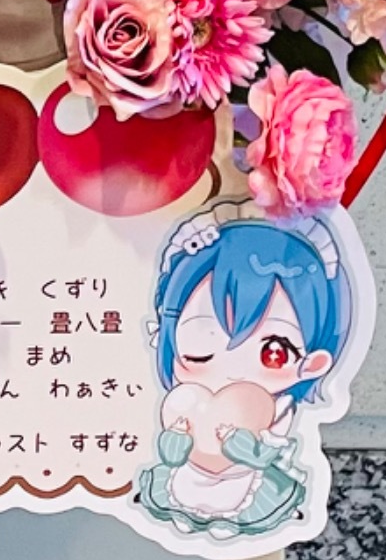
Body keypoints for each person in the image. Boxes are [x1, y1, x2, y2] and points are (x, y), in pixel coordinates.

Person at [135, 206, 348, 541]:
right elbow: (171, 454)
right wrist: (177, 436)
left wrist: (237, 442)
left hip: (247, 481)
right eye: (200, 349)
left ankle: (229, 520)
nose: (233, 371)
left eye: (273, 353)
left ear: (312, 363)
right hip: (189, 477)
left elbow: (263, 455)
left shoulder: (279, 411)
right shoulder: (183, 400)